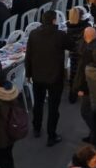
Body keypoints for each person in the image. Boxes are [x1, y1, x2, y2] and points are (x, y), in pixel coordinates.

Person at [25, 10, 70, 144]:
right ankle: (51, 135)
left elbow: (28, 56)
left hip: (37, 76)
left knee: (38, 104)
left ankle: (36, 128)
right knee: (53, 108)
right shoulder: (60, 35)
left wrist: (28, 74)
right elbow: (72, 45)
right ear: (54, 20)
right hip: (55, 77)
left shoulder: (33, 34)